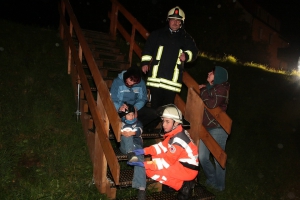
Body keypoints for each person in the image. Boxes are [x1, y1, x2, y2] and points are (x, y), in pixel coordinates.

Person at [127, 104, 199, 200]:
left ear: (176, 123)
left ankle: (183, 186)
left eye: (167, 121)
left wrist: (143, 164)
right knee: (156, 155)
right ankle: (175, 182)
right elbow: (160, 147)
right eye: (163, 121)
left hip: (187, 170)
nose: (163, 124)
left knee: (150, 171)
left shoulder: (178, 139)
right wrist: (142, 151)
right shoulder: (175, 132)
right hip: (184, 164)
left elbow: (165, 163)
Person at [141, 6, 199, 110]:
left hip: (172, 83)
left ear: (181, 22)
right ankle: (152, 125)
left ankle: (164, 126)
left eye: (178, 20)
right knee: (154, 109)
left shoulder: (186, 38)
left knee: (167, 111)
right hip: (156, 79)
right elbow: (148, 49)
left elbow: (194, 52)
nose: (175, 22)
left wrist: (186, 55)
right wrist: (145, 63)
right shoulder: (157, 34)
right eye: (173, 19)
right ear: (168, 20)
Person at [198, 66, 230, 192]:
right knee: (202, 157)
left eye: (212, 73)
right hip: (205, 128)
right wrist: (204, 89)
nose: (209, 73)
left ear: (218, 77)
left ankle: (220, 186)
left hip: (218, 128)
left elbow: (211, 103)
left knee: (218, 158)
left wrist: (204, 89)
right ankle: (212, 180)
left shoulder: (223, 89)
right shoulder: (209, 89)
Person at [110, 66, 158, 130]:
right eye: (130, 80)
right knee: (114, 111)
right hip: (121, 108)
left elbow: (142, 99)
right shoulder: (117, 81)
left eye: (134, 82)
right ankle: (122, 127)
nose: (131, 83)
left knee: (153, 113)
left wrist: (135, 108)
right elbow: (113, 99)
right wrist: (119, 108)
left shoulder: (141, 83)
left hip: (134, 108)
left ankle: (137, 127)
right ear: (127, 75)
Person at [118, 103, 146, 200]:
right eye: (129, 114)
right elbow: (115, 129)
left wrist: (133, 132)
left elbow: (139, 130)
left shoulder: (137, 123)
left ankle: (142, 189)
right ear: (124, 116)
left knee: (140, 162)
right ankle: (130, 153)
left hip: (137, 147)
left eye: (132, 114)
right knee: (127, 135)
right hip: (125, 147)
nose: (131, 116)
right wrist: (124, 132)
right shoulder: (121, 123)